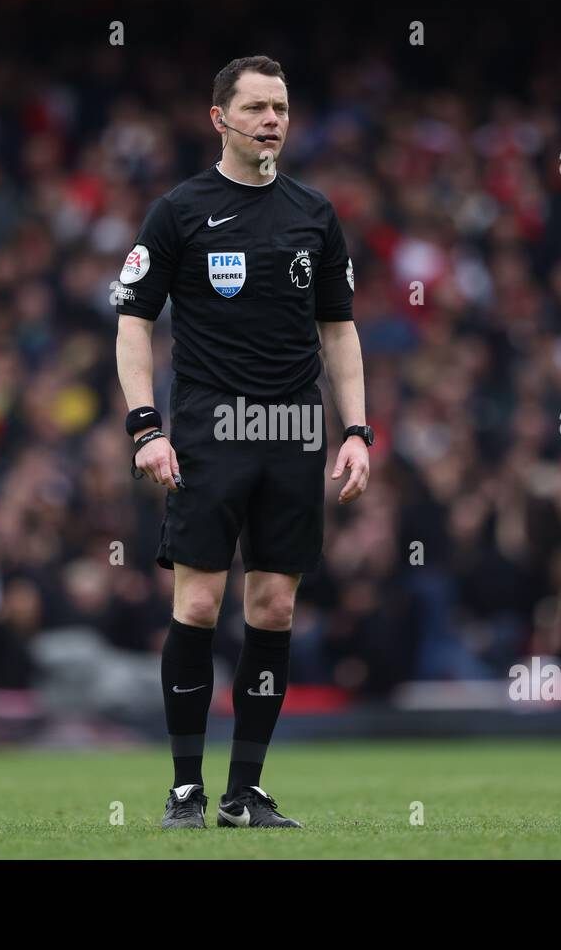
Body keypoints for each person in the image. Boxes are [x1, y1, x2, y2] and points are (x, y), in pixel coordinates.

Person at [114, 56, 372, 828]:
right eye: (256, 107)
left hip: (293, 431)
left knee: (275, 607)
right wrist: (145, 427)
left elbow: (340, 331)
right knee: (196, 601)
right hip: (208, 431)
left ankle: (245, 791)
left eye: (282, 107)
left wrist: (355, 429)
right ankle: (186, 787)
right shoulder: (179, 212)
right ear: (219, 117)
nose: (272, 120)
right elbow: (132, 324)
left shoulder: (314, 213)